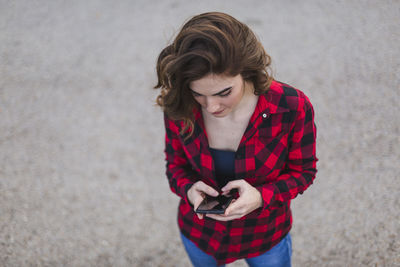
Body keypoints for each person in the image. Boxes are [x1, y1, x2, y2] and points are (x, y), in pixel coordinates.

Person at [154, 12, 317, 267]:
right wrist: (188, 190)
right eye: (199, 94)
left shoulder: (291, 106)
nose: (211, 106)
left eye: (224, 92)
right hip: (201, 236)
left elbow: (303, 171)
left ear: (247, 71)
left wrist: (262, 196)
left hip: (265, 236)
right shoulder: (180, 104)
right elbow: (174, 166)